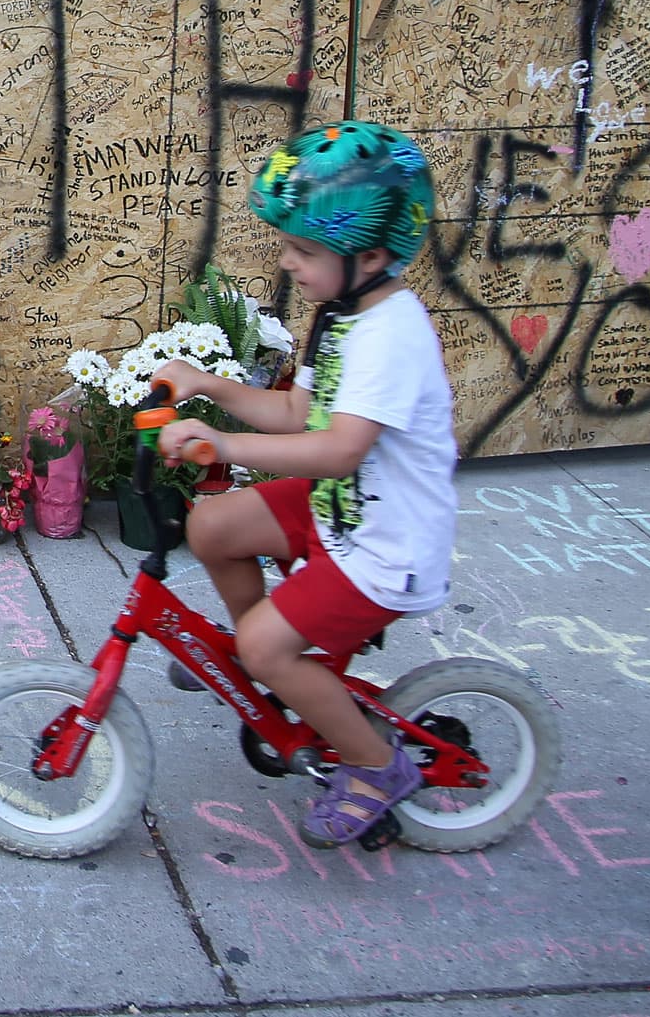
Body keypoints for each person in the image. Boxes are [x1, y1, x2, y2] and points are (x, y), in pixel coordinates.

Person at [149, 121, 456, 849]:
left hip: (387, 546)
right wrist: (208, 386)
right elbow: (296, 412)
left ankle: (375, 765)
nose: (289, 264)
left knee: (264, 644)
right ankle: (269, 665)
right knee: (213, 526)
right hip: (340, 514)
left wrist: (221, 442)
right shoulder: (342, 316)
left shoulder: (392, 335)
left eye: (306, 251)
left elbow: (342, 448)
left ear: (373, 256)